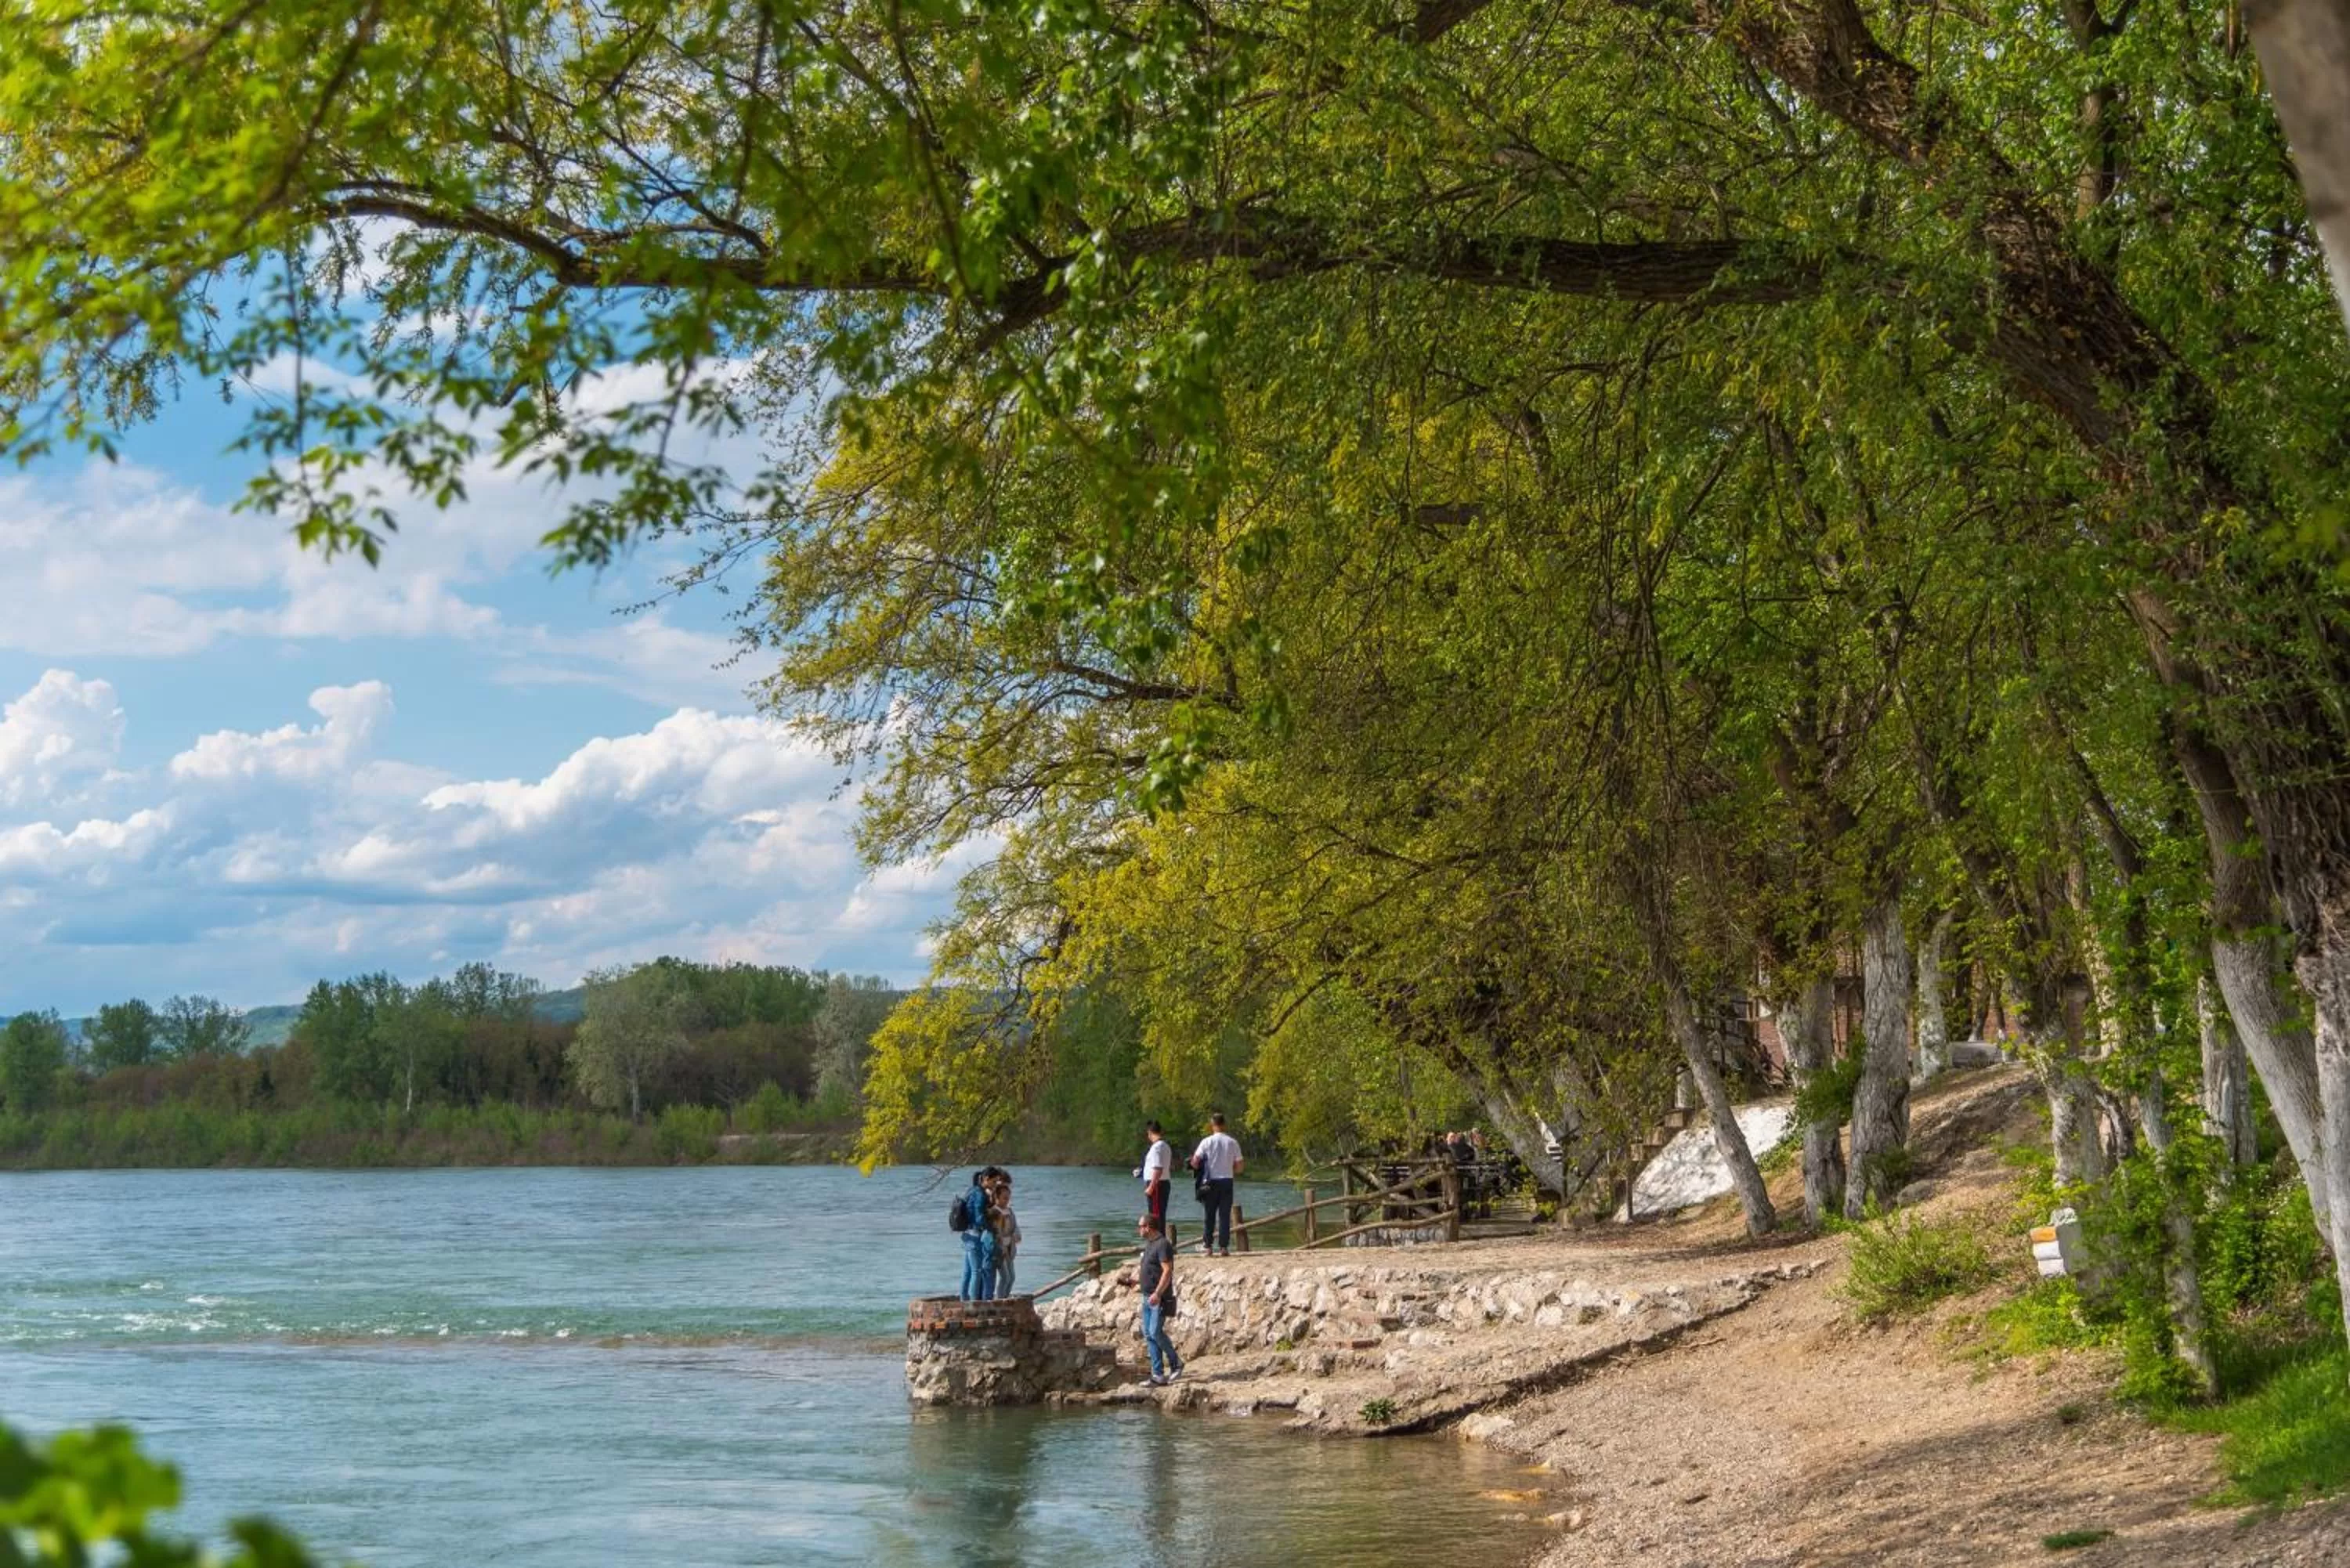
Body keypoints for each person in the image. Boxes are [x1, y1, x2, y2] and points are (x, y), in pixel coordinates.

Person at [1133, 1211, 1182, 1386]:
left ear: (1148, 1227)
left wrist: (1158, 1293)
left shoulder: (1162, 1245)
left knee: (1155, 1332)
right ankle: (1158, 1375)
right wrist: (1136, 1283)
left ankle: (1176, 1364)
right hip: (1147, 1296)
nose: (1139, 1229)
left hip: (1158, 1298)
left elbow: (1167, 1270)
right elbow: (1152, 1271)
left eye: (1140, 1226)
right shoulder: (1150, 1244)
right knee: (1149, 1334)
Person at [1188, 1111, 1244, 1256]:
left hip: (1210, 1182)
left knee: (1209, 1215)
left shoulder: (1206, 1142)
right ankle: (1224, 1247)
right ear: (1224, 1125)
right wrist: (1229, 1166)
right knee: (1225, 1216)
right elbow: (1240, 1167)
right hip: (1227, 1181)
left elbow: (1195, 1162)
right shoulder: (1232, 1142)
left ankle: (1208, 1247)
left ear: (1212, 1125)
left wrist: (1201, 1167)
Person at [957, 1166, 998, 1301]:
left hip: (966, 1235)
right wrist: (991, 1228)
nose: (995, 1185)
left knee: (967, 1272)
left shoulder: (971, 1190)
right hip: (975, 1236)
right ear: (986, 1179)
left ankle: (964, 1298)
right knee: (977, 1271)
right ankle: (975, 1302)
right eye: (994, 1182)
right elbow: (979, 1217)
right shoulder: (980, 1194)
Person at [1136, 1119, 1175, 1245]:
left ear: (1150, 1132)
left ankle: (1158, 1244)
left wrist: (1151, 1187)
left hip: (1157, 1184)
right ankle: (1157, 1243)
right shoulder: (1165, 1146)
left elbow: (1158, 1168)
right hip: (1161, 1183)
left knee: (1155, 1217)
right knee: (1157, 1215)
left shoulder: (1157, 1147)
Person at [989, 1170, 1023, 1299]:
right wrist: (1000, 1246)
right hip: (1000, 1248)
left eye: (1008, 1198)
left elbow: (1014, 1225)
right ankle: (1000, 1299)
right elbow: (994, 1231)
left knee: (1012, 1277)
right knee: (1005, 1277)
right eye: (1004, 1198)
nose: (1007, 1201)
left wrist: (1017, 1234)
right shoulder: (994, 1212)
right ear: (997, 1198)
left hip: (1010, 1247)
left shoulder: (1009, 1210)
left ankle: (1005, 1297)